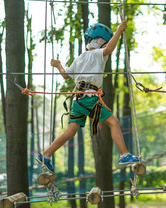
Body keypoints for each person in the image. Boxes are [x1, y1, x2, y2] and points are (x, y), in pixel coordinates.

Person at [36, 20, 140, 173]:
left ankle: (46, 155)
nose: (106, 46)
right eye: (104, 43)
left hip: (78, 100)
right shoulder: (97, 54)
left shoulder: (80, 58)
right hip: (89, 98)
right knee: (114, 123)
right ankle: (124, 155)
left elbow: (66, 75)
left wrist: (58, 65)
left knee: (70, 131)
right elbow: (110, 48)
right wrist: (119, 30)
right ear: (99, 42)